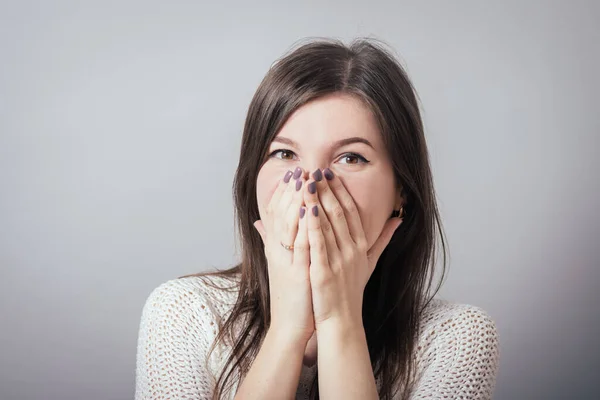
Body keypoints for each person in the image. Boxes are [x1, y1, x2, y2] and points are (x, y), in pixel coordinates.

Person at [134, 37, 500, 400]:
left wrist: (339, 323)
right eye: (284, 153)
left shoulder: (457, 338)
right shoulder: (183, 313)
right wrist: (287, 331)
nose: (311, 186)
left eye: (351, 158)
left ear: (401, 189)